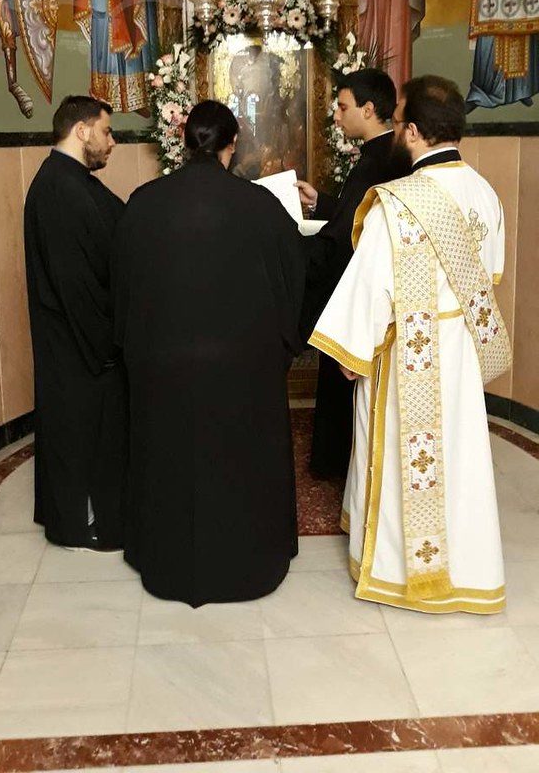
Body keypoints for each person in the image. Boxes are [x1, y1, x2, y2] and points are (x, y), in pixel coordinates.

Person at [310, 76, 511, 614]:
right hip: (459, 353)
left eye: (400, 123)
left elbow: (371, 289)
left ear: (415, 131)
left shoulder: (396, 205)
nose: (398, 132)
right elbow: (489, 274)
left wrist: (350, 354)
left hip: (408, 356)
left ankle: (400, 572)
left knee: (406, 458)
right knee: (460, 459)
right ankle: (469, 570)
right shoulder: (486, 193)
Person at [112, 100, 305, 606]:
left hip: (163, 365)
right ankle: (247, 561)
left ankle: (168, 559)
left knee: (170, 464)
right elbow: (293, 280)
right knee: (241, 470)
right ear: (232, 144)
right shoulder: (262, 205)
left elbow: (122, 286)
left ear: (184, 142)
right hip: (244, 368)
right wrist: (282, 347)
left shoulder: (144, 203)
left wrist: (136, 347)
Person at [296, 68, 410, 479]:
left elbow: (347, 235)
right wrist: (323, 203)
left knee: (343, 383)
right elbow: (356, 214)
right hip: (354, 278)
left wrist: (291, 252)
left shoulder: (380, 160)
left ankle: (338, 467)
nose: (337, 116)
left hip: (354, 286)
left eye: (343, 108)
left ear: (368, 108)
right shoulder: (379, 154)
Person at [24, 96, 127, 551]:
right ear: (82, 131)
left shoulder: (70, 180)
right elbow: (75, 284)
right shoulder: (59, 189)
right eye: (106, 131)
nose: (112, 141)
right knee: (78, 434)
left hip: (80, 340)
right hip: (78, 345)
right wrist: (108, 347)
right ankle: (80, 523)